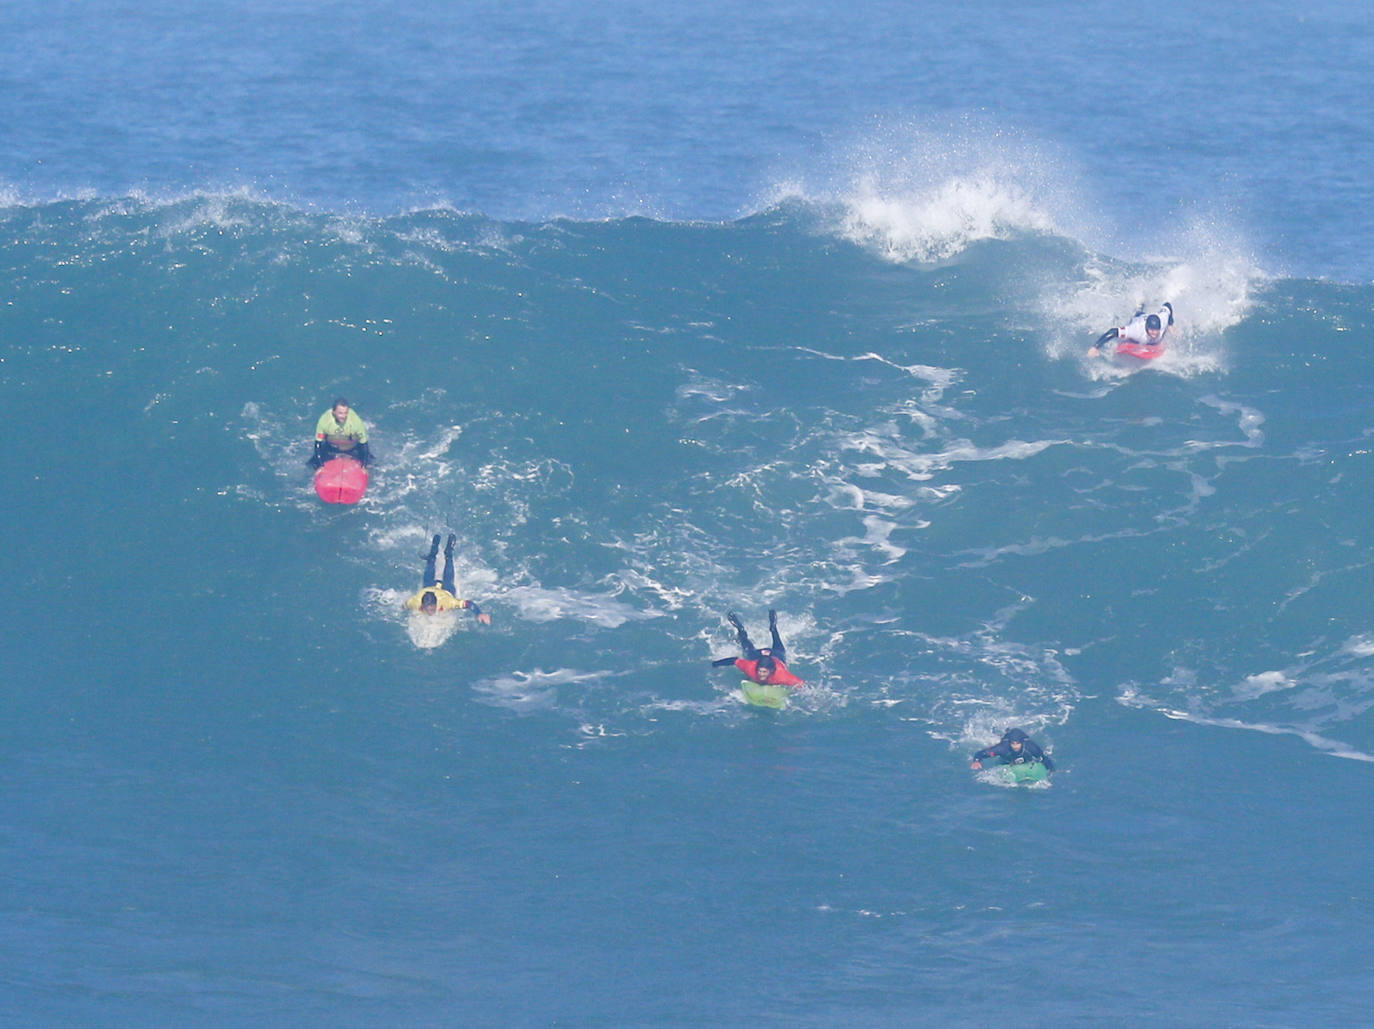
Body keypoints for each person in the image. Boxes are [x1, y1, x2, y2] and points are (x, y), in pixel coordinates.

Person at [404, 533, 492, 623]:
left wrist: (479, 613)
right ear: (422, 605)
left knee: (448, 579)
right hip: (429, 587)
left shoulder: (447, 602)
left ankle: (448, 553)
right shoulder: (415, 602)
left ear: (436, 604)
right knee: (429, 566)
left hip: (446, 590)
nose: (430, 612)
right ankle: (434, 551)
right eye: (427, 610)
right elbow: (404, 605)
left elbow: (468, 604)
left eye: (432, 610)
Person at [711, 610, 804, 687]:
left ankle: (773, 628)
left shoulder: (781, 675)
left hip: (777, 655)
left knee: (779, 647)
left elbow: (801, 684)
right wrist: (716, 664)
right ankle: (740, 629)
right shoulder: (751, 667)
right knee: (746, 646)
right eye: (759, 671)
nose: (760, 674)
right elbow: (734, 660)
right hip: (757, 656)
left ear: (771, 671)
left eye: (764, 672)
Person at [1088, 302, 1174, 357]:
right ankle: (1139, 307)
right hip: (1138, 319)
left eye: (1156, 330)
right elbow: (1113, 331)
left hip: (1148, 318)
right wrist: (1095, 347)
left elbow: (1167, 305)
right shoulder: (1135, 330)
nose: (1155, 333)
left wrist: (1170, 325)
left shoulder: (1162, 321)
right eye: (1152, 330)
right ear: (1147, 328)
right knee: (1138, 313)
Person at [310, 397, 371, 468]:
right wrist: (320, 466)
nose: (344, 416)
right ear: (333, 412)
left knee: (371, 465)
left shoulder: (356, 422)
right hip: (331, 449)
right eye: (340, 413)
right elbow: (318, 444)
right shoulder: (325, 421)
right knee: (311, 464)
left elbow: (364, 445)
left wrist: (364, 466)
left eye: (346, 413)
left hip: (353, 450)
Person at [970, 727, 1055, 772]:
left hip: (1023, 738)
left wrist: (1051, 770)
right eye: (1013, 744)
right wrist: (976, 761)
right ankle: (1005, 732)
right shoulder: (1002, 748)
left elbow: (1044, 758)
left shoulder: (1031, 747)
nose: (1015, 746)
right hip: (1006, 741)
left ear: (1021, 743)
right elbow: (981, 753)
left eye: (1017, 744)